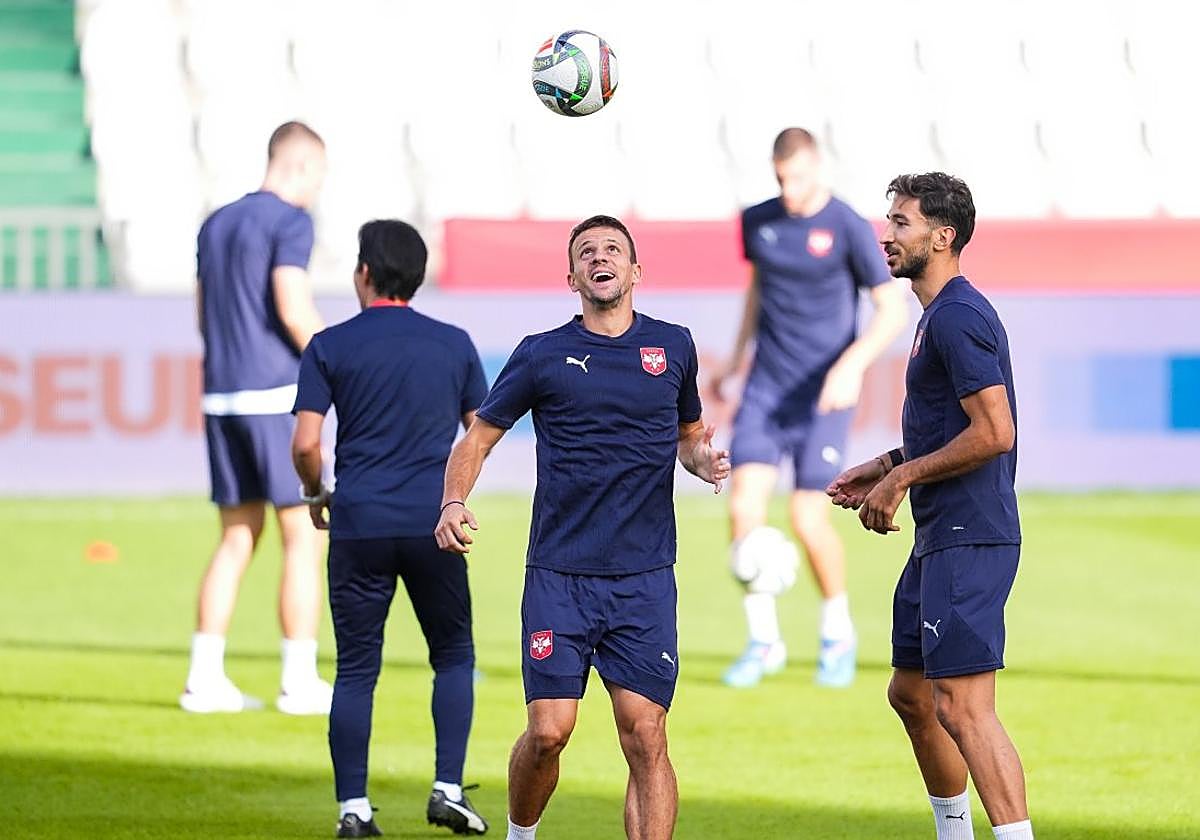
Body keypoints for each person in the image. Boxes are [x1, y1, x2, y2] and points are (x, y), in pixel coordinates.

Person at [434, 215, 730, 840]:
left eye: (614, 250)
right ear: (571, 276)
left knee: (645, 734)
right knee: (549, 732)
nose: (601, 258)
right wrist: (452, 501)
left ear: (635, 271)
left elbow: (688, 437)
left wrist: (703, 461)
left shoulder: (674, 345)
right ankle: (522, 833)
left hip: (644, 577)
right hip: (559, 575)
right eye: (587, 252)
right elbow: (479, 438)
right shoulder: (541, 353)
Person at [827, 172, 1033, 840]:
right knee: (912, 695)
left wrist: (903, 478)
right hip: (940, 536)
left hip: (971, 535)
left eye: (902, 223)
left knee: (966, 708)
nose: (887, 235)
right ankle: (954, 832)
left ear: (943, 237)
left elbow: (994, 432)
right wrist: (885, 466)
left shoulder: (959, 315)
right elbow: (951, 425)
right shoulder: (935, 317)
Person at [293, 220, 490, 838]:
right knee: (453, 656)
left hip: (359, 524)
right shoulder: (453, 343)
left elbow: (305, 443)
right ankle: (448, 788)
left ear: (364, 273)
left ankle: (353, 809)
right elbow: (479, 435)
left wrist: (316, 493)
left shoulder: (329, 345)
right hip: (432, 526)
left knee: (356, 668)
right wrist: (454, 499)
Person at [710, 127, 908, 688]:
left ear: (817, 167)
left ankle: (836, 631)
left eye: (796, 176)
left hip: (822, 397)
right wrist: (733, 359)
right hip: (766, 390)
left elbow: (889, 309)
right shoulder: (758, 221)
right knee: (743, 508)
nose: (788, 189)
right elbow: (757, 290)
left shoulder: (846, 225)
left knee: (805, 517)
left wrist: (852, 365)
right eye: (780, 178)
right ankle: (763, 641)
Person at [183, 121, 332, 715]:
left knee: (236, 536)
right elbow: (293, 307)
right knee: (303, 535)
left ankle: (203, 676)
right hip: (274, 398)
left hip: (221, 396)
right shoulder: (291, 221)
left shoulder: (214, 223)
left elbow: (202, 315)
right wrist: (337, 363)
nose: (319, 189)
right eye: (319, 176)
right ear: (298, 165)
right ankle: (298, 680)